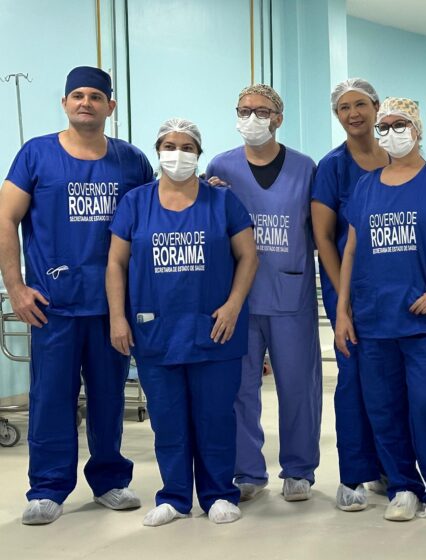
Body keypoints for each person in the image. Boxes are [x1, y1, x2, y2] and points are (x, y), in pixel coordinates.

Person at [0, 66, 152, 525]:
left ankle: (109, 481)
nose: (86, 102)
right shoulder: (36, 154)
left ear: (111, 106)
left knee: (109, 398)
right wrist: (16, 288)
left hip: (111, 307)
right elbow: (6, 218)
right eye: (78, 95)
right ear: (65, 103)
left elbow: (156, 210)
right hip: (53, 306)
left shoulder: (130, 161)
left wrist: (204, 189)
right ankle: (48, 488)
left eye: (95, 96)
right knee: (51, 398)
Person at [334, 97, 426, 523]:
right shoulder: (366, 187)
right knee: (384, 407)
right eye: (385, 127)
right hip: (374, 317)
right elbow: (351, 252)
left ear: (417, 130)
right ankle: (402, 486)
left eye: (400, 125)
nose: (391, 133)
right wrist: (342, 311)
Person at [106, 119, 258, 526]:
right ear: (158, 152)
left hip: (215, 328)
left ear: (199, 154)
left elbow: (248, 256)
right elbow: (116, 263)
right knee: (168, 420)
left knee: (215, 418)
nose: (178, 154)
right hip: (156, 329)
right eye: (170, 146)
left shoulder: (222, 201)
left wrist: (233, 305)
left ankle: (218, 494)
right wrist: (118, 317)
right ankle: (174, 496)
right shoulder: (136, 203)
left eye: (187, 147)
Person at [206, 84, 322, 504]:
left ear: (279, 118)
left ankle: (299, 469)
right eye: (244, 110)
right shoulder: (221, 166)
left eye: (262, 111)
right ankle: (247, 471)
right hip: (238, 297)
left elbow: (319, 230)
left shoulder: (305, 168)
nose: (252, 118)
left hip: (291, 293)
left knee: (298, 386)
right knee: (239, 389)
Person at [313, 78, 390, 511]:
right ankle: (353, 475)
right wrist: (343, 298)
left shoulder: (398, 159)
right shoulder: (333, 168)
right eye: (344, 107)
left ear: (376, 108)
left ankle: (389, 466)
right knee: (355, 381)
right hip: (350, 292)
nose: (353, 114)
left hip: (394, 289)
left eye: (360, 104)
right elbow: (324, 238)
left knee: (390, 380)